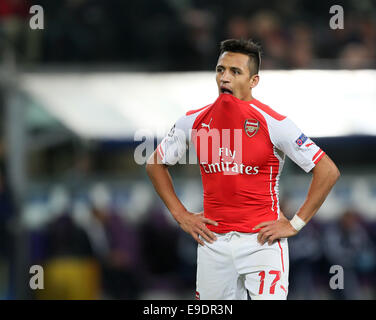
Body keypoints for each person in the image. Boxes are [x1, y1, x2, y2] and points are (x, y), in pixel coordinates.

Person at [145, 38, 340, 300]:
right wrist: (180, 214)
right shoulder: (192, 121)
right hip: (213, 243)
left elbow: (327, 171)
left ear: (253, 81)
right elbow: (154, 163)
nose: (224, 77)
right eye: (220, 70)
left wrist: (295, 224)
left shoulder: (274, 123)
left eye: (235, 71)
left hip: (262, 243)